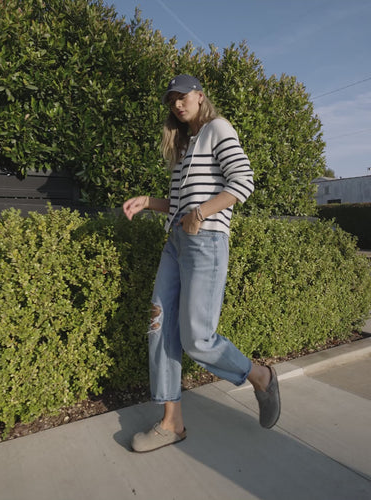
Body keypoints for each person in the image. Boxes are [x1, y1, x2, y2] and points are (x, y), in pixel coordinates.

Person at [123, 74, 280, 453]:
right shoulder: (188, 144)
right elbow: (180, 205)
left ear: (199, 95)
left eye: (183, 96)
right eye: (171, 99)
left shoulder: (217, 128)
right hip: (176, 243)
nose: (177, 104)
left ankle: (259, 376)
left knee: (197, 338)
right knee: (159, 326)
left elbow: (243, 181)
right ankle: (171, 422)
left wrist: (201, 214)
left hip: (205, 241)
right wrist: (149, 201)